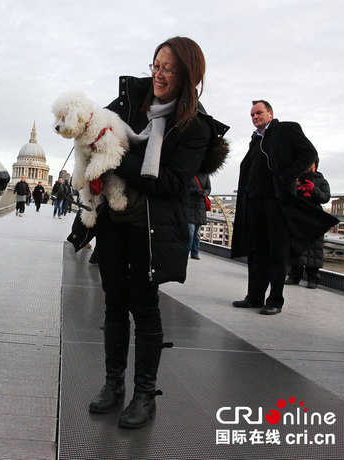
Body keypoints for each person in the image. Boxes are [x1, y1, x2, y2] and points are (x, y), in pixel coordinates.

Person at [70, 37, 229, 429]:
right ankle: (112, 385)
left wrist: (118, 157)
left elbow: (173, 182)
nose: (158, 74)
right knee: (112, 301)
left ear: (188, 75)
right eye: (155, 65)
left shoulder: (194, 126)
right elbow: (93, 131)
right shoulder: (130, 98)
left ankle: (144, 394)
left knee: (143, 304)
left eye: (168, 69)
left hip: (151, 227)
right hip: (113, 219)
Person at [231, 100, 337, 314]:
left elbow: (309, 153)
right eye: (252, 115)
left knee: (277, 252)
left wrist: (288, 175)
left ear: (270, 113)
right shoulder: (256, 139)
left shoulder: (287, 129)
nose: (255, 117)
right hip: (255, 202)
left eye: (259, 113)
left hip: (276, 202)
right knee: (256, 251)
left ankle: (275, 301)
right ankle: (254, 297)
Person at [285, 160, 332, 289]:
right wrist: (295, 187)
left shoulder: (322, 181)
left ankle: (313, 278)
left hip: (315, 218)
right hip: (299, 216)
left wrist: (313, 190)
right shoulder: (297, 179)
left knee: (315, 248)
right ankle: (294, 276)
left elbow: (325, 197)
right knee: (296, 246)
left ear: (315, 165)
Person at [186, 173, 211, 260]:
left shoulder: (206, 174)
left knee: (196, 233)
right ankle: (187, 251)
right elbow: (185, 188)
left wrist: (205, 193)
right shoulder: (191, 172)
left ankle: (195, 252)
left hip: (200, 206)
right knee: (191, 231)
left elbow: (208, 188)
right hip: (191, 205)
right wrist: (195, 191)